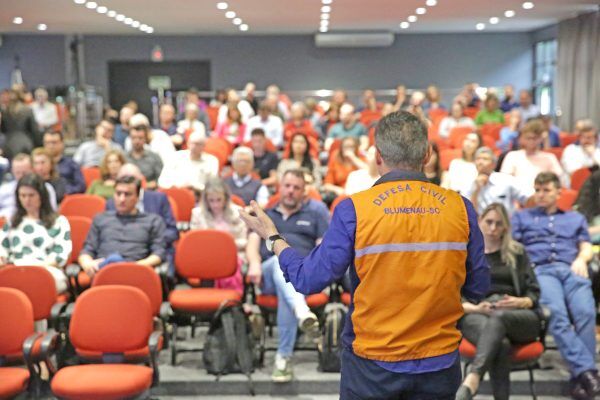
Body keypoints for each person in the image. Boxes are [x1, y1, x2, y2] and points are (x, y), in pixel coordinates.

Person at [240, 111, 489, 399]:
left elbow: (308, 279)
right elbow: (478, 288)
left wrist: (273, 238)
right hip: (439, 365)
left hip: (372, 368)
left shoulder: (354, 209)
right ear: (428, 154)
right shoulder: (461, 209)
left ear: (378, 156)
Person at [512, 172, 599, 399]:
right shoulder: (522, 217)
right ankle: (588, 372)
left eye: (546, 190)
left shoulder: (574, 218)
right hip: (541, 270)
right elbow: (512, 247)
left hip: (572, 268)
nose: (540, 195)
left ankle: (580, 376)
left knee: (586, 313)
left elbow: (586, 246)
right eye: (537, 190)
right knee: (557, 315)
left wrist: (582, 259)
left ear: (559, 192)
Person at [245, 169, 326, 382]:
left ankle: (283, 359)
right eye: (287, 186)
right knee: (278, 263)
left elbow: (322, 249)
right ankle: (301, 311)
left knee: (287, 287)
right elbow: (253, 244)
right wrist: (254, 264)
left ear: (304, 193)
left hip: (302, 277)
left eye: (296, 187)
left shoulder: (315, 214)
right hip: (268, 275)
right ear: (279, 188)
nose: (291, 191)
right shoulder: (267, 215)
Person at [456, 203, 541, 400]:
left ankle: (473, 377)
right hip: (476, 313)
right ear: (479, 222)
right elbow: (453, 295)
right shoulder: (465, 254)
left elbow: (534, 293)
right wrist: (475, 307)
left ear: (506, 227)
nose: (493, 228)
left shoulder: (517, 252)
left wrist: (521, 302)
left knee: (500, 317)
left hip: (516, 315)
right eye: (489, 222)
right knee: (500, 344)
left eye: (499, 224)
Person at [79, 175, 166, 277]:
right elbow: (87, 250)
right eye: (118, 193)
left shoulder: (153, 221)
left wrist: (132, 267)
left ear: (137, 197)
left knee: (115, 260)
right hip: (103, 272)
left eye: (127, 194)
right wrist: (88, 264)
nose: (122, 199)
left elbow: (159, 254)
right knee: (112, 260)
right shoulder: (101, 218)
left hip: (135, 273)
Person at [0, 174, 71, 293]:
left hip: (45, 270)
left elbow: (61, 254)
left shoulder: (59, 222)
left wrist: (34, 270)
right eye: (22, 195)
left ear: (42, 196)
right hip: (15, 269)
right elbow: (2, 248)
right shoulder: (12, 222)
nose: (27, 200)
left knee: (44, 281)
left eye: (31, 195)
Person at [106, 164, 179, 274]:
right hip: (123, 254)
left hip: (156, 251)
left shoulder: (159, 199)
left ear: (141, 180)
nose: (127, 183)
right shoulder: (112, 203)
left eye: (131, 179)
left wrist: (145, 241)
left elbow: (172, 232)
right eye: (123, 179)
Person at [190, 178, 246, 294]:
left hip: (234, 255)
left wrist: (224, 246)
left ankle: (232, 300)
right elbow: (195, 243)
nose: (215, 205)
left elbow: (243, 242)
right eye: (211, 200)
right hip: (207, 258)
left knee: (230, 265)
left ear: (226, 198)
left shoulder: (238, 213)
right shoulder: (197, 214)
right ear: (205, 200)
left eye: (219, 200)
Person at [463, 147, 533, 216]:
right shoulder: (468, 182)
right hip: (477, 224)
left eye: (485, 159)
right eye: (478, 159)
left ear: (494, 164)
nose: (480, 162)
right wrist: (476, 191)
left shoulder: (506, 179)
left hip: (505, 224)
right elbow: (467, 212)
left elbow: (527, 199)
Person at [500, 119, 565, 189]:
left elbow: (560, 181)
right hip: (518, 196)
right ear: (522, 139)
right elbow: (504, 182)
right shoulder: (512, 156)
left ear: (540, 138)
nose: (531, 141)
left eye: (534, 138)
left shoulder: (549, 157)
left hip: (542, 195)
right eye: (528, 138)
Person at [0, 153, 57, 218]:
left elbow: (51, 213)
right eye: (17, 173)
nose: (21, 176)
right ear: (12, 171)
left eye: (24, 173)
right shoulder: (3, 189)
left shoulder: (46, 188)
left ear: (32, 169)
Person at [0, 87, 41, 158]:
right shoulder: (27, 110)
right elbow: (34, 130)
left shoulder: (4, 112)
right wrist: (39, 145)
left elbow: (2, 130)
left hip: (8, 144)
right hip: (26, 143)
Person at [322, 137, 367, 201]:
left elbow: (368, 173)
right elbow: (327, 184)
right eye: (346, 147)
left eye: (351, 147)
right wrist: (337, 189)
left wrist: (353, 158)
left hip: (360, 193)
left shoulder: (360, 158)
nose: (348, 150)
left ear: (356, 148)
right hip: (342, 194)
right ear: (341, 149)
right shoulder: (335, 160)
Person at [126, 116, 163, 189]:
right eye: (134, 138)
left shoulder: (154, 157)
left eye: (140, 138)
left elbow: (162, 179)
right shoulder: (124, 157)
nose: (137, 141)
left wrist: (147, 185)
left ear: (145, 139)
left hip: (150, 192)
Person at [43, 131, 85, 195]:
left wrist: (64, 191)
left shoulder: (71, 164)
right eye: (47, 143)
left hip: (66, 198)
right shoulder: (37, 164)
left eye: (54, 142)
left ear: (62, 143)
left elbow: (81, 186)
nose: (51, 146)